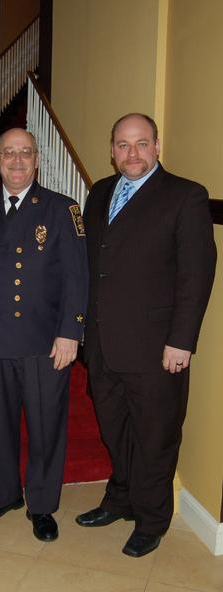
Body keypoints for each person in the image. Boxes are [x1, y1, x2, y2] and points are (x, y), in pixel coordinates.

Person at [77, 113, 216, 558]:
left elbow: (196, 276)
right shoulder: (98, 193)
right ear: (111, 149)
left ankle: (152, 518)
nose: (131, 153)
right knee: (114, 429)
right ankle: (120, 499)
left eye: (141, 143)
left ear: (157, 146)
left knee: (156, 436)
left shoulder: (186, 196)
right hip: (102, 344)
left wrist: (182, 340)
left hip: (158, 349)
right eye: (122, 144)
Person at [0, 128, 88, 542]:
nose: (17, 160)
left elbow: (77, 275)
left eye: (25, 153)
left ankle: (41, 503)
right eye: (9, 153)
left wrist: (70, 332)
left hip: (43, 341)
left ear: (37, 160)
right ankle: (6, 493)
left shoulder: (61, 209)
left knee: (45, 427)